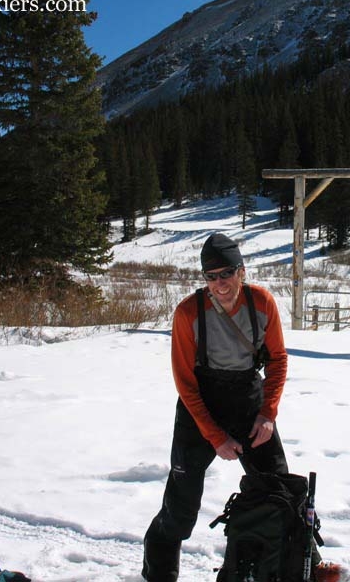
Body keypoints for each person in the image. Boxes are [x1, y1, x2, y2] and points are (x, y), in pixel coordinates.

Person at [142, 232, 289, 582]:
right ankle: (158, 575)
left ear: (241, 271)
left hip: (248, 400)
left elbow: (278, 360)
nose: (219, 283)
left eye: (226, 273)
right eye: (211, 276)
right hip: (200, 406)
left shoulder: (262, 303)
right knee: (181, 505)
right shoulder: (188, 312)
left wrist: (267, 414)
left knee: (278, 491)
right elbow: (185, 382)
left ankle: (290, 566)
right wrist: (214, 436)